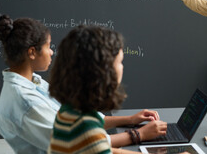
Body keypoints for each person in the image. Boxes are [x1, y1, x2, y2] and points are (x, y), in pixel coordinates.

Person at [0, 15, 166, 154]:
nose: (52, 52)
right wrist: (138, 135)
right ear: (32, 52)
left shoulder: (35, 83)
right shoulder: (25, 102)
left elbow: (93, 136)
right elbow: (87, 143)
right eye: (48, 46)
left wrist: (130, 120)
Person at [48, 25, 167, 154]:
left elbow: (105, 149)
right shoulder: (87, 130)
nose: (122, 67)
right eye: (120, 62)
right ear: (103, 72)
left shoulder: (70, 111)